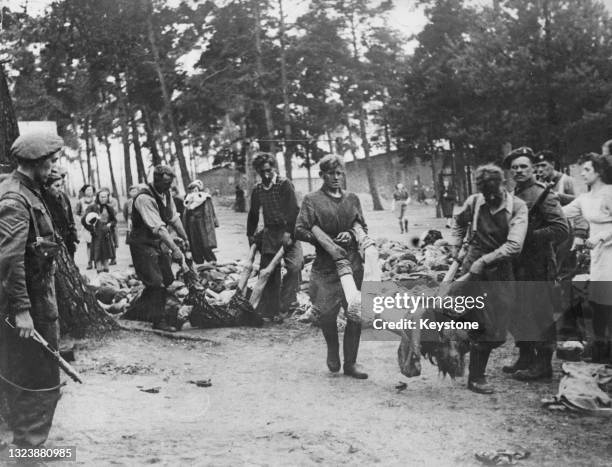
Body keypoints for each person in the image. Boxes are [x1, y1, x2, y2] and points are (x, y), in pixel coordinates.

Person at [0, 132, 63, 449]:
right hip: (30, 305)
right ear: (36, 163)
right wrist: (23, 311)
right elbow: (10, 261)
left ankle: (27, 443)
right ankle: (29, 448)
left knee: (26, 368)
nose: (53, 168)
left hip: (36, 297)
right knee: (38, 372)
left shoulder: (27, 191)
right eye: (50, 162)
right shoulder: (15, 199)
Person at [449, 164, 528, 394]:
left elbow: (514, 245)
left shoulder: (518, 207)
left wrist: (484, 261)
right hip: (471, 271)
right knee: (473, 320)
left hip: (499, 272)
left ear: (503, 185)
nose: (491, 198)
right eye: (486, 194)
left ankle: (461, 348)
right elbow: (458, 221)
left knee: (497, 332)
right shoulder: (474, 202)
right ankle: (476, 376)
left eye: (494, 193)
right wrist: (456, 245)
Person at [295, 155, 368, 379]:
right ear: (322, 175)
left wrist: (352, 234)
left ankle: (351, 363)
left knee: (354, 313)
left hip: (352, 264)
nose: (336, 178)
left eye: (339, 173)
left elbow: (363, 226)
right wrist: (321, 240)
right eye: (330, 173)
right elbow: (299, 229)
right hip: (326, 266)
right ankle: (332, 352)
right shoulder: (312, 200)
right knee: (327, 314)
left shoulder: (352, 199)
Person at [503, 147, 569, 381]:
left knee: (539, 312)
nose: (519, 170)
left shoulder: (543, 194)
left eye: (524, 166)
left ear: (532, 168)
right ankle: (525, 356)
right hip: (517, 263)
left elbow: (562, 229)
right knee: (519, 310)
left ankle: (543, 364)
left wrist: (530, 235)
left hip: (538, 263)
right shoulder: (513, 193)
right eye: (515, 167)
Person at [128, 165, 191, 332]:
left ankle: (137, 312)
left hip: (156, 242)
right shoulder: (144, 198)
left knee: (168, 278)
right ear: (156, 180)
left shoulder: (166, 193)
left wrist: (185, 239)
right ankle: (159, 321)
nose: (168, 187)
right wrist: (175, 249)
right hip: (142, 244)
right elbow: (159, 228)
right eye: (165, 184)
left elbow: (173, 218)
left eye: (170, 184)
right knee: (156, 282)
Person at [563, 153, 612, 362]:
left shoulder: (609, 193)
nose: (582, 174)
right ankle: (601, 349)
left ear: (599, 172)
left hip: (609, 248)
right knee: (599, 302)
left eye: (587, 170)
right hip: (599, 256)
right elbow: (561, 213)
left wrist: (601, 236)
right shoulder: (584, 199)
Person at [247, 153, 303, 321]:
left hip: (288, 230)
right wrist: (250, 234)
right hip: (270, 233)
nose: (265, 175)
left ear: (274, 168)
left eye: (268, 170)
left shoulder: (284, 184)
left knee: (295, 267)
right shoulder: (257, 190)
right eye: (261, 172)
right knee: (268, 273)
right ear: (257, 171)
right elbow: (253, 213)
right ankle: (269, 310)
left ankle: (285, 306)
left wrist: (288, 233)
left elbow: (294, 210)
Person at [42, 168, 78, 258]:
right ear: (46, 187)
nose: (60, 189)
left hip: (68, 240)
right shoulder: (42, 202)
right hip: (52, 243)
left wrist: (74, 239)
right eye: (57, 186)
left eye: (61, 186)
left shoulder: (64, 197)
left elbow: (70, 219)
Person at [183, 180, 219, 263]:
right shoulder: (188, 199)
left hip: (202, 223)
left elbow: (210, 212)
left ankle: (211, 260)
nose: (194, 191)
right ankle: (198, 261)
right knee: (194, 243)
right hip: (192, 223)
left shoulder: (205, 197)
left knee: (205, 242)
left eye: (195, 188)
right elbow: (186, 212)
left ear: (199, 189)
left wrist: (213, 221)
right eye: (192, 189)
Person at [82, 188, 117, 273]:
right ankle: (99, 272)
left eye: (105, 197)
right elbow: (84, 220)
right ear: (97, 197)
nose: (103, 199)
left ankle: (106, 273)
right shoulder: (91, 207)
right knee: (97, 254)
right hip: (96, 234)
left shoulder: (109, 208)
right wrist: (92, 229)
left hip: (106, 234)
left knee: (106, 255)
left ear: (107, 198)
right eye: (101, 197)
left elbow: (114, 220)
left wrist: (110, 225)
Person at [76, 184, 96, 269]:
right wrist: (82, 221)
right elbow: (77, 214)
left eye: (91, 190)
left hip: (96, 224)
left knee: (97, 242)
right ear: (84, 191)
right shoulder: (80, 201)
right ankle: (89, 261)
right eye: (87, 190)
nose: (89, 191)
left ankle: (97, 261)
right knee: (89, 244)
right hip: (86, 226)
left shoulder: (96, 200)